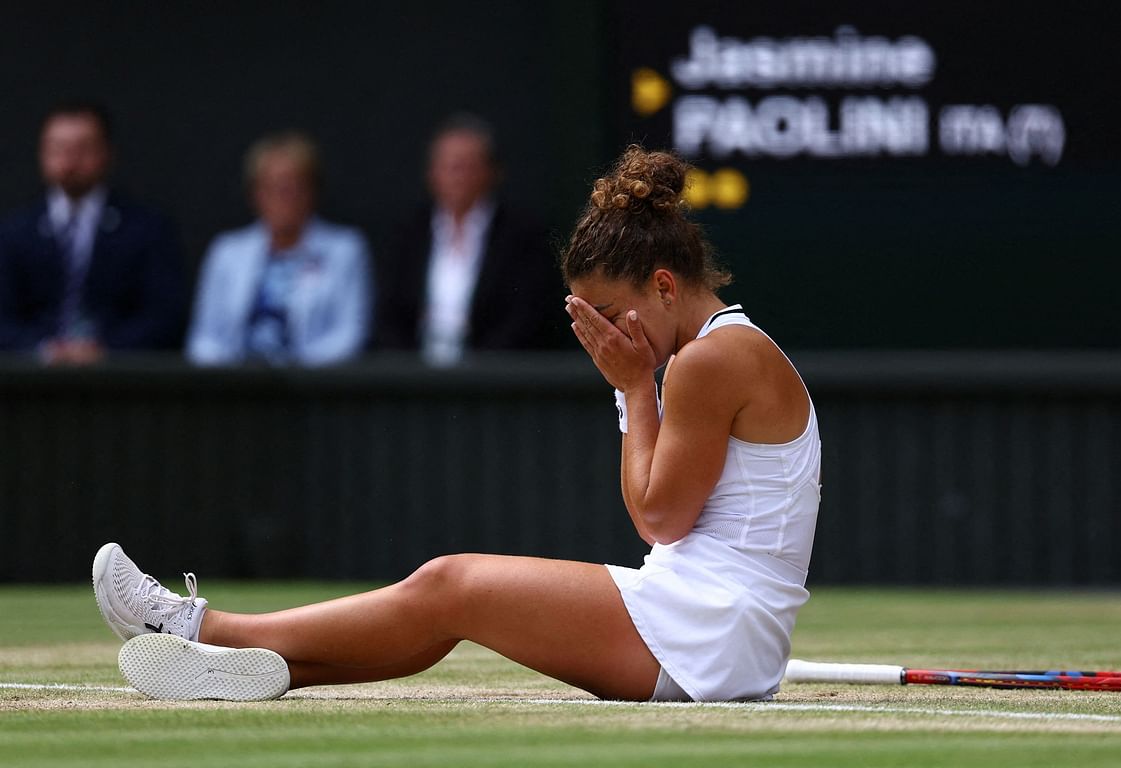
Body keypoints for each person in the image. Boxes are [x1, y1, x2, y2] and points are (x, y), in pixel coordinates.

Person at [91, 145, 821, 703]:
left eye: (605, 314)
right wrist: (637, 384)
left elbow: (659, 518)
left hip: (712, 633)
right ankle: (251, 668)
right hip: (714, 628)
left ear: (664, 286)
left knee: (451, 585)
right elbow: (671, 525)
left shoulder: (708, 362)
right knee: (444, 611)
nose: (598, 335)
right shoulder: (715, 353)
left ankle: (204, 629)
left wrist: (634, 390)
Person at [0, 103, 186, 362]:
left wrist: (106, 351)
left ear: (107, 153)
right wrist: (44, 350)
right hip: (30, 381)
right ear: (42, 153)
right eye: (58, 148)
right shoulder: (15, 232)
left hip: (122, 381)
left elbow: (164, 316)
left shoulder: (147, 228)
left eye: (82, 148)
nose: (69, 160)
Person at [374, 113, 565, 365]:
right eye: (448, 166)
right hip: (415, 381)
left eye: (465, 166)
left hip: (492, 381)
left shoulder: (522, 235)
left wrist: (477, 367)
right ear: (432, 173)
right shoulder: (407, 233)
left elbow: (526, 316)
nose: (456, 176)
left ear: (491, 172)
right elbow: (388, 313)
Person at [186, 132, 371, 366]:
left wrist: (290, 374)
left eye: (291, 188)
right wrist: (230, 376)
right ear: (255, 194)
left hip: (312, 388)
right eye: (271, 188)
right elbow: (204, 339)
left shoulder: (345, 250)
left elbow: (349, 336)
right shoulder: (228, 251)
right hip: (234, 390)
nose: (282, 198)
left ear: (312, 191)